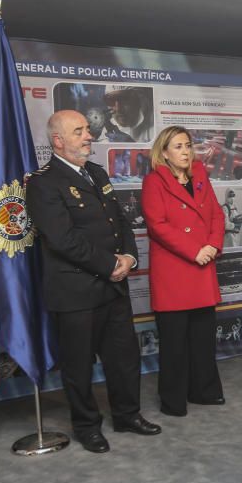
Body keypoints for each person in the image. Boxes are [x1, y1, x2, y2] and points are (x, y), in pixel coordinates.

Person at [25, 110, 161, 453]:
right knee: (78, 364)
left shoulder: (96, 173)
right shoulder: (42, 182)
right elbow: (62, 239)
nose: (89, 135)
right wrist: (109, 264)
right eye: (79, 131)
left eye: (87, 129)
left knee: (123, 356)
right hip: (75, 290)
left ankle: (127, 415)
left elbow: (121, 223)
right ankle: (87, 426)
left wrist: (129, 257)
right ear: (58, 141)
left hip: (113, 285)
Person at [141, 126, 226, 417]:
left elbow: (216, 213)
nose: (185, 151)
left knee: (203, 338)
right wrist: (195, 250)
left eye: (187, 145)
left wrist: (213, 245)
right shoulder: (153, 182)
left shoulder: (200, 174)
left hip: (203, 266)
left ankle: (204, 390)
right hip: (175, 271)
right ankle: (173, 400)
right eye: (178, 146)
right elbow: (158, 226)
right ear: (164, 152)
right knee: (175, 342)